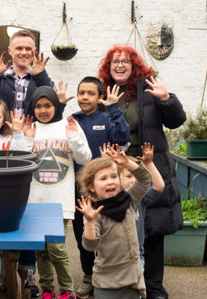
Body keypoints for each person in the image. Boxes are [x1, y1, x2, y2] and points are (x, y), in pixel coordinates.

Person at [98, 44, 186, 299]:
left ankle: (154, 286)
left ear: (134, 65)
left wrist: (166, 98)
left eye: (126, 61)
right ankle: (119, 282)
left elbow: (176, 120)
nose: (120, 65)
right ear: (108, 67)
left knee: (152, 226)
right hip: (116, 170)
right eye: (114, 61)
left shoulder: (148, 90)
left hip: (149, 165)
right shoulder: (104, 91)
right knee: (119, 227)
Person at [24, 86, 92, 299]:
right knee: (41, 249)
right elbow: (22, 163)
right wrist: (26, 139)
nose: (43, 110)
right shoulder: (30, 127)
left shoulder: (69, 125)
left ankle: (67, 291)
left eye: (48, 105)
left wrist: (73, 138)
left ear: (56, 105)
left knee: (57, 247)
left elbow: (85, 158)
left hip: (59, 200)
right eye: (38, 106)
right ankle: (47, 290)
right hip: (35, 199)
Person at [70, 76, 130, 298]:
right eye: (81, 93)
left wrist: (114, 109)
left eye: (90, 93)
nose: (85, 97)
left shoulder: (107, 118)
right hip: (80, 190)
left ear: (99, 97)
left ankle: (110, 276)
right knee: (83, 234)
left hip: (106, 190)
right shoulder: (72, 121)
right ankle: (88, 275)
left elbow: (122, 136)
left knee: (109, 235)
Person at [76, 144, 152, 299]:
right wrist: (89, 221)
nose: (110, 182)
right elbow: (90, 246)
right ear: (91, 187)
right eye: (103, 178)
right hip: (108, 284)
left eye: (114, 176)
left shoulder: (129, 199)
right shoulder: (95, 212)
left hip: (133, 280)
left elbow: (145, 180)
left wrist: (125, 163)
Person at [0, 29, 54, 115]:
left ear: (34, 51)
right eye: (19, 48)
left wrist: (40, 76)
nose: (24, 53)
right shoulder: (0, 78)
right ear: (10, 50)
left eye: (28, 49)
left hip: (33, 128)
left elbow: (56, 107)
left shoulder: (40, 78)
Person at [120, 143, 164, 271]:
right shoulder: (112, 198)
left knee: (135, 290)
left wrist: (149, 164)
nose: (133, 181)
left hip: (136, 257)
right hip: (113, 257)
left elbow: (159, 186)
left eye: (137, 178)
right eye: (128, 176)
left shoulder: (140, 199)